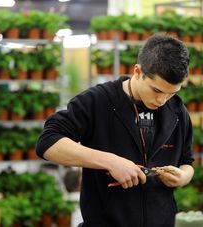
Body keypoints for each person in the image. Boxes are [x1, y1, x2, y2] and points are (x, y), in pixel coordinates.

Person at [36, 33, 194, 227]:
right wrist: (110, 161)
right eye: (157, 91)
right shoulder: (98, 101)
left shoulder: (177, 112)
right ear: (137, 71)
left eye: (172, 94)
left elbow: (187, 161)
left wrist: (183, 176)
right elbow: (48, 142)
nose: (162, 101)